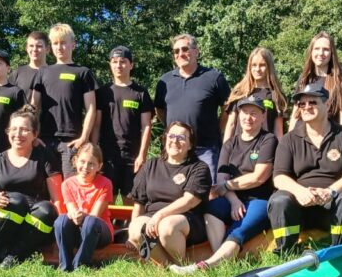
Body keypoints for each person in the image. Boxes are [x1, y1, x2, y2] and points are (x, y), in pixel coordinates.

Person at [171, 95, 277, 274]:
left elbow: (258, 177)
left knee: (238, 230)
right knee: (211, 209)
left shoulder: (268, 140)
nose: (248, 118)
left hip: (259, 199)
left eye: (253, 113)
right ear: (238, 115)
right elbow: (221, 179)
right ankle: (221, 261)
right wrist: (234, 200)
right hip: (232, 198)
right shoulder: (230, 143)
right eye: (244, 113)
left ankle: (205, 267)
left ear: (262, 116)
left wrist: (228, 186)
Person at [269, 84, 342, 255]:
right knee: (279, 200)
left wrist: (330, 191)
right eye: (301, 104)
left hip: (333, 203)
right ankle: (286, 252)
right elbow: (279, 177)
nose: (306, 107)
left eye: (312, 102)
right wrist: (300, 192)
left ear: (326, 105)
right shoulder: (289, 139)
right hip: (300, 206)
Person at [0, 109, 62, 268]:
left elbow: (57, 199)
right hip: (3, 218)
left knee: (48, 210)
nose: (18, 134)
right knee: (16, 201)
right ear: (8, 131)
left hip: (32, 221)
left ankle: (14, 256)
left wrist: (61, 234)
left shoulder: (45, 157)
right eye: (14, 129)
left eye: (24, 129)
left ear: (34, 134)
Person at [128, 122, 211, 266]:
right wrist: (131, 235)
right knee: (136, 228)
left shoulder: (198, 168)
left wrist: (159, 216)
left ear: (190, 145)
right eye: (171, 136)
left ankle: (179, 263)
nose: (175, 140)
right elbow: (139, 201)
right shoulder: (150, 165)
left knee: (167, 226)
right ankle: (170, 267)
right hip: (151, 216)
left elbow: (189, 201)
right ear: (165, 139)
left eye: (181, 137)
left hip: (185, 218)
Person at [154, 34, 230, 177]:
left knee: (209, 192)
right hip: (174, 149)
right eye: (176, 51)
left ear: (196, 51)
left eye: (184, 49)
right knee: (171, 192)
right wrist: (170, 126)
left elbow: (228, 108)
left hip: (205, 149)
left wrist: (218, 130)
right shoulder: (165, 81)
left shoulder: (214, 77)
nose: (180, 54)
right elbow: (159, 109)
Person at [37, 24, 98, 179]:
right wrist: (34, 135)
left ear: (73, 44)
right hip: (45, 139)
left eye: (63, 43)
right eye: (56, 43)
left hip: (72, 140)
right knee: (47, 188)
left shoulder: (83, 73)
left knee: (71, 187)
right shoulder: (43, 72)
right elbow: (34, 107)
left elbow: (91, 108)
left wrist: (84, 137)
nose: (60, 47)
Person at [95, 46, 154, 202]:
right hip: (107, 156)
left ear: (131, 65)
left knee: (131, 199)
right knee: (107, 199)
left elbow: (147, 126)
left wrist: (142, 155)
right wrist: (94, 150)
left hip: (132, 156)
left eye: (123, 61)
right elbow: (96, 124)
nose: (118, 65)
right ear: (110, 64)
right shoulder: (103, 92)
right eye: (114, 62)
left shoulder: (140, 93)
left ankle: (127, 226)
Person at [54, 143, 115, 272]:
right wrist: (74, 215)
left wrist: (83, 215)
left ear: (99, 166)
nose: (85, 167)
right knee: (61, 221)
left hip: (98, 231)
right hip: (77, 229)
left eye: (91, 164)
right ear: (75, 161)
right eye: (82, 161)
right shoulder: (67, 184)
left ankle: (80, 265)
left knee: (90, 221)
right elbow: (71, 209)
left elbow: (95, 215)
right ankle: (65, 265)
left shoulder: (105, 184)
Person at [292, 32, 342, 129]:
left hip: (330, 139)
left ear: (332, 53)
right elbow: (295, 115)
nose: (321, 53)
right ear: (311, 52)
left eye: (326, 49)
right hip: (302, 139)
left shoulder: (341, 80)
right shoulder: (303, 78)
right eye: (317, 49)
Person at [222, 46, 287, 142]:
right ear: (249, 67)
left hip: (265, 149)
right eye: (254, 65)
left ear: (269, 67)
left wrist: (280, 154)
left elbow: (278, 131)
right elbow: (231, 124)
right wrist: (225, 151)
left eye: (262, 65)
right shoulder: (240, 92)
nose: (257, 69)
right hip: (239, 149)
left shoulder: (276, 95)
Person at [8, 30, 49, 109]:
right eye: (31, 46)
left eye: (39, 46)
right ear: (26, 48)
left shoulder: (54, 73)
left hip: (49, 121)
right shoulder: (17, 74)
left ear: (47, 49)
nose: (34, 49)